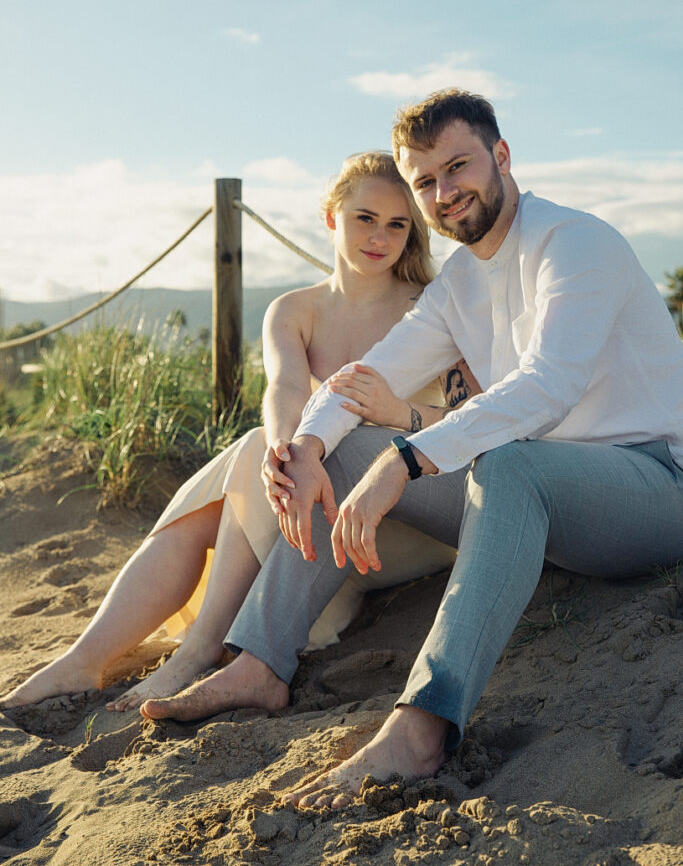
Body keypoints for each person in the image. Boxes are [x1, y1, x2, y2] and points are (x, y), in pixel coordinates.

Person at [140, 89, 683, 811]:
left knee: (500, 461)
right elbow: (364, 379)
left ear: (501, 156)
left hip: (651, 482)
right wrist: (307, 444)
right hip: (531, 499)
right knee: (349, 448)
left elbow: (547, 386)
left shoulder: (574, 243)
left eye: (458, 167)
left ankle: (422, 727)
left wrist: (406, 458)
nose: (443, 192)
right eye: (424, 181)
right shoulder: (459, 282)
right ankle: (260, 663)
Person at [0, 150, 480, 712]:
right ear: (332, 217)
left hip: (398, 516)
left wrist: (396, 412)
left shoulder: (431, 309)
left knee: (254, 454)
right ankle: (84, 660)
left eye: (397, 224)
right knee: (258, 452)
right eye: (365, 218)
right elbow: (285, 390)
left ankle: (197, 650)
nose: (379, 237)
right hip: (312, 510)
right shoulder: (294, 310)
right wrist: (283, 450)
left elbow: (474, 422)